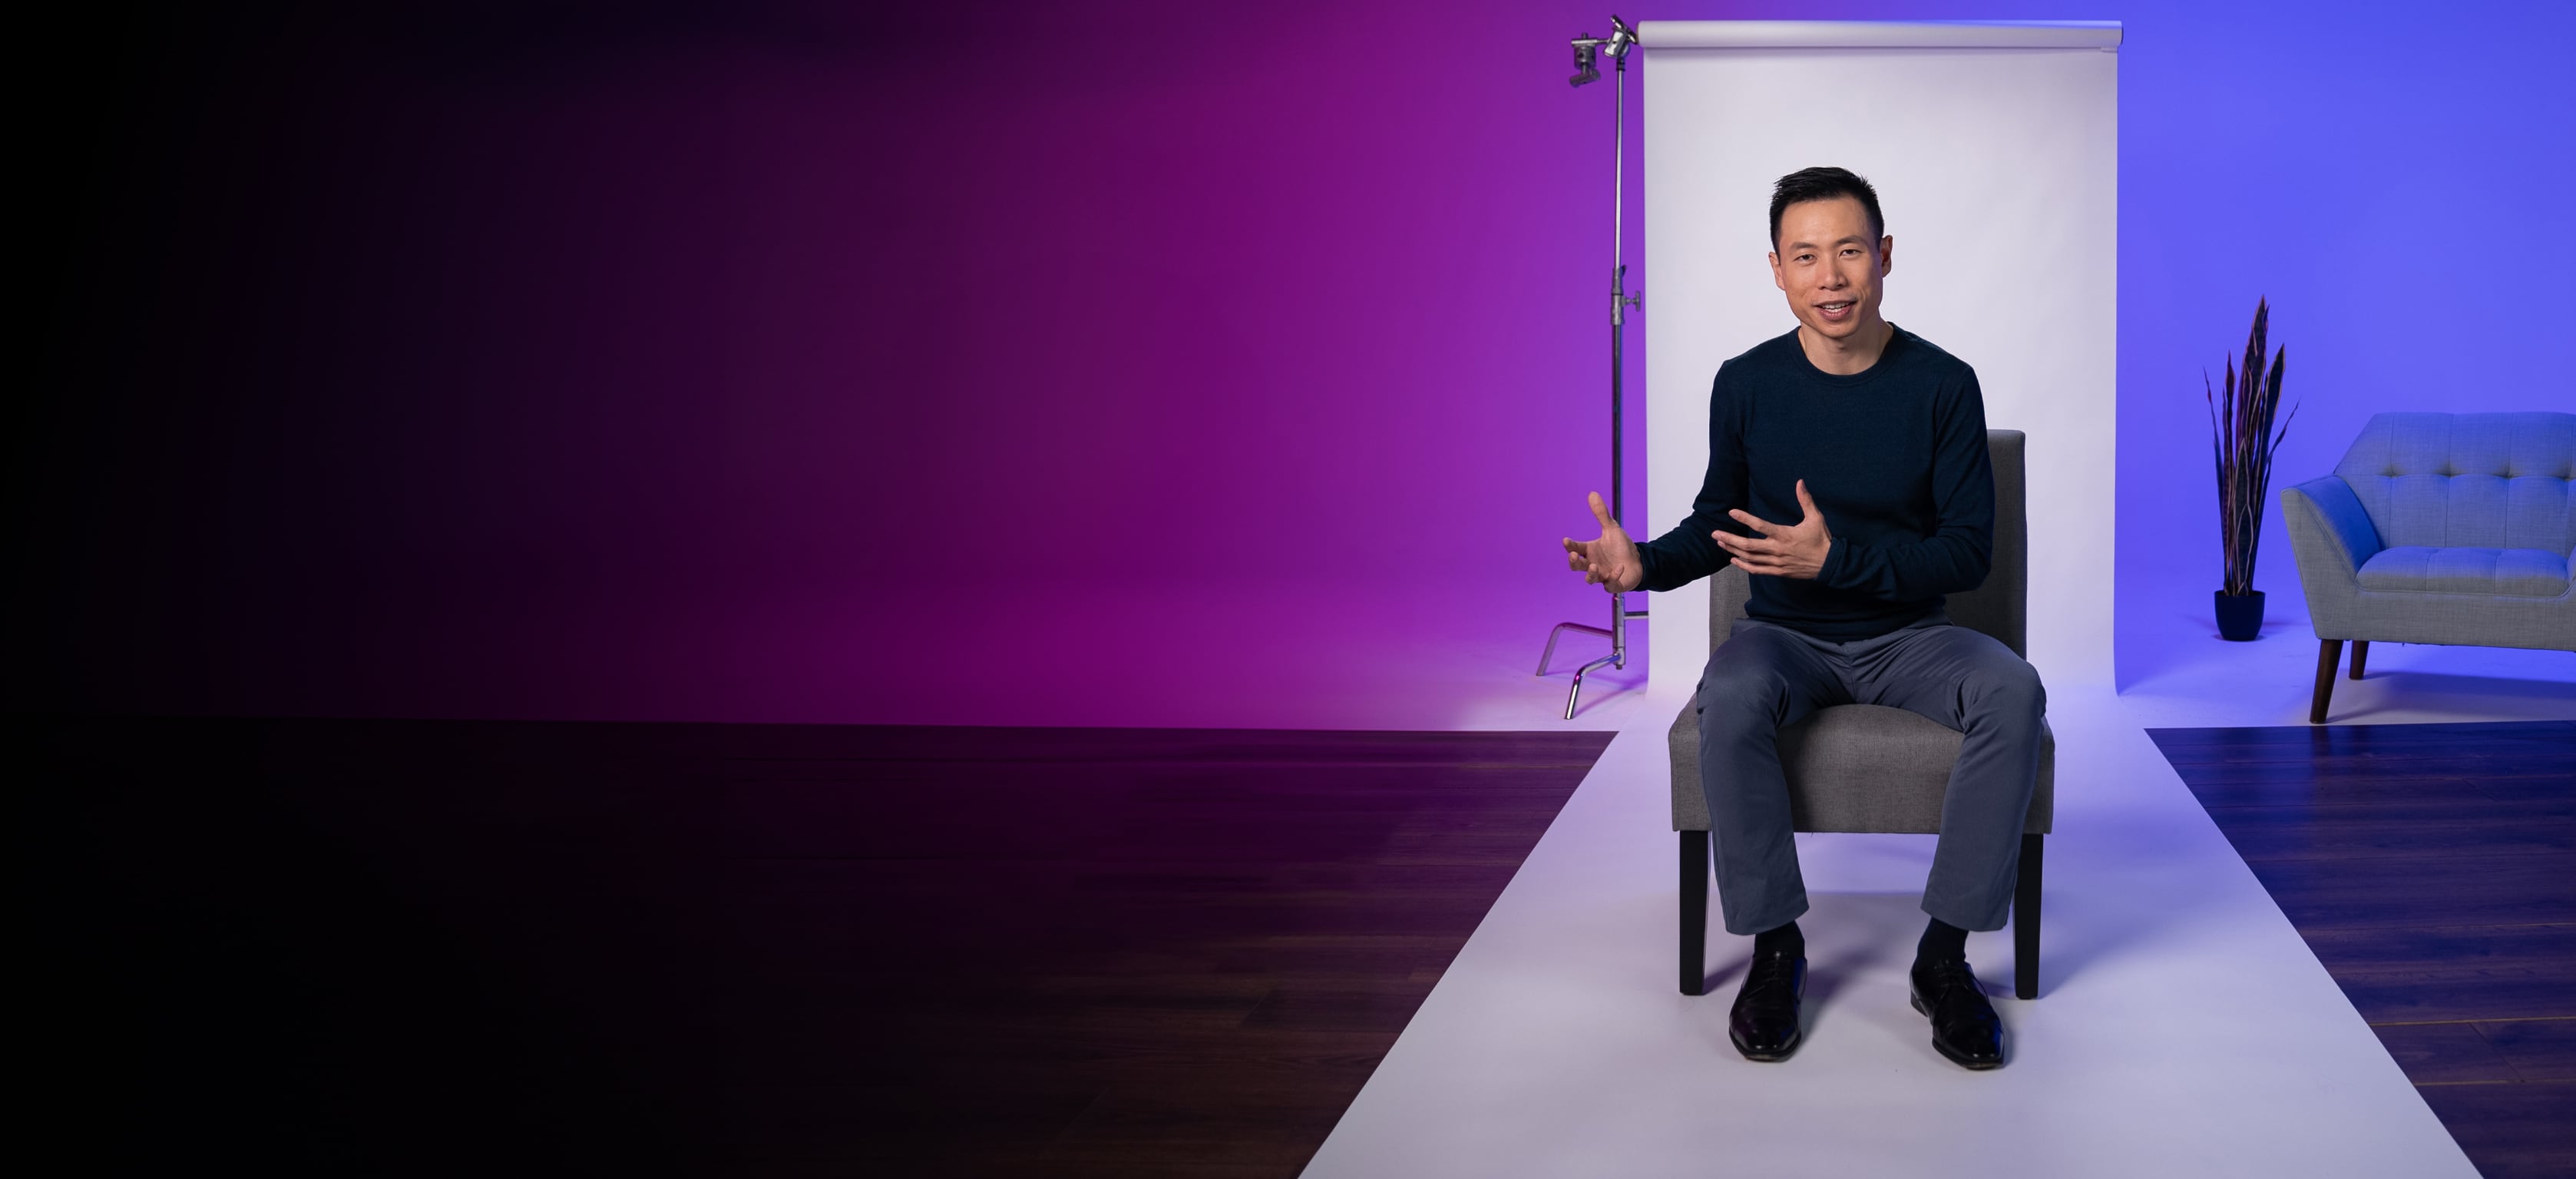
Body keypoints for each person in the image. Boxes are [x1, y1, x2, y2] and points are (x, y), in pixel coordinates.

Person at [1561, 167, 2045, 1071]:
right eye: (1807, 256)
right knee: (1729, 695)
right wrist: (1642, 567)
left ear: (1884, 256)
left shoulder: (1943, 383)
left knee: (2012, 690)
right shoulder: (1746, 383)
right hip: (1784, 637)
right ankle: (1775, 948)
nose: (1831, 276)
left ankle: (1943, 958)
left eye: (1849, 251)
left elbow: (1966, 554)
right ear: (1777, 270)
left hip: (1912, 637)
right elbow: (1717, 522)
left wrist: (1838, 560)